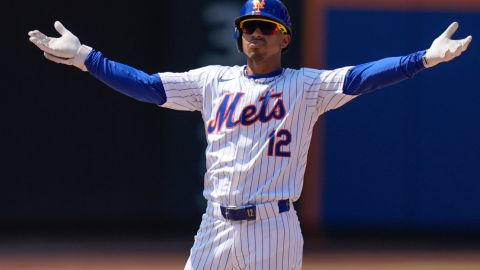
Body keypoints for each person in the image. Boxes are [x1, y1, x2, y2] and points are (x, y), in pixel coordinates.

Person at [28, 0, 472, 269]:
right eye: (248, 27)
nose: (255, 34)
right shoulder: (211, 80)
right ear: (240, 37)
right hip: (215, 225)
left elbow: (362, 77)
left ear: (284, 39)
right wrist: (87, 56)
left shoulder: (305, 86)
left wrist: (423, 59)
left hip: (274, 226)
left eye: (266, 28)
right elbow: (147, 86)